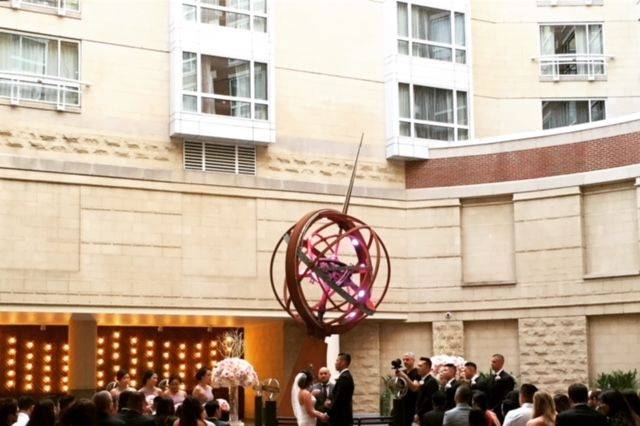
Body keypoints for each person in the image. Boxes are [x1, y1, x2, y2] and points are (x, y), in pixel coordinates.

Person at [327, 353, 354, 426]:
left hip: (341, 420)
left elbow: (339, 400)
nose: (335, 363)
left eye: (337, 360)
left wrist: (328, 413)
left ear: (343, 362)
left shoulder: (344, 377)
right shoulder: (345, 376)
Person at [487, 355, 515, 420]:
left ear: (501, 363)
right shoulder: (490, 378)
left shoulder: (508, 378)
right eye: (491, 362)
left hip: (500, 412)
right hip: (489, 411)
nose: (491, 364)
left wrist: (494, 409)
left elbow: (506, 396)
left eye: (494, 362)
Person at [415, 357, 440, 424]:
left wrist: (418, 414)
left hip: (427, 415)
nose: (418, 368)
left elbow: (427, 400)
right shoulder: (421, 380)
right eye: (418, 366)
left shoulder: (431, 381)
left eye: (420, 366)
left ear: (428, 367)